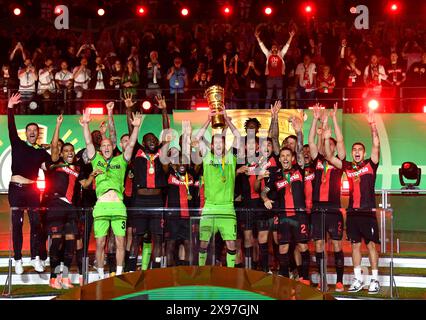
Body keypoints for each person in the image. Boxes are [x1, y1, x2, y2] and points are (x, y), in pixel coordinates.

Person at [79, 104, 141, 280]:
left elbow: (131, 145)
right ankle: (100, 276)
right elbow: (89, 142)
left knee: (120, 242)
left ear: (113, 147)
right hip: (101, 207)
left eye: (109, 145)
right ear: (101, 148)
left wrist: (136, 127)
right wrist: (85, 125)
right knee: (100, 243)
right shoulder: (95, 158)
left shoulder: (121, 160)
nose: (106, 147)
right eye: (103, 145)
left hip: (118, 207)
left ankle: (120, 274)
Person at [324, 108, 381, 294]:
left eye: (359, 150)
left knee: (371, 245)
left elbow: (376, 145)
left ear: (364, 154)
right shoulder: (347, 166)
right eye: (354, 150)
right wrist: (327, 135)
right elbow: (329, 157)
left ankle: (374, 279)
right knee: (355, 245)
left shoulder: (371, 164)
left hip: (368, 212)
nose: (356, 152)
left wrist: (373, 125)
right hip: (353, 213)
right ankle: (358, 279)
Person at [260, 116, 311, 284]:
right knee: (283, 247)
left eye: (288, 155)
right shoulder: (275, 175)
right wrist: (265, 197)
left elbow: (300, 151)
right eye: (282, 156)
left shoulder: (299, 169)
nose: (285, 158)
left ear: (292, 157)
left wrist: (298, 131)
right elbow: (264, 191)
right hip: (283, 217)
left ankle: (304, 278)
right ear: (280, 158)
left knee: (303, 247)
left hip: (299, 215)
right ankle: (284, 276)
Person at [125, 94, 170, 270]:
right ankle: (130, 268)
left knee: (157, 237)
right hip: (140, 201)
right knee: (137, 236)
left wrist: (164, 109)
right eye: (148, 140)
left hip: (157, 201)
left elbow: (167, 131)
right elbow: (131, 130)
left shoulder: (161, 152)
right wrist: (128, 108)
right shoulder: (137, 152)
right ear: (143, 142)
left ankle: (156, 269)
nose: (151, 141)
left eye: (154, 140)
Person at [7, 93, 50, 274]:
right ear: (26, 133)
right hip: (16, 189)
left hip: (32, 190)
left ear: (38, 134)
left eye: (35, 130)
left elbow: (50, 165)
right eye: (30, 130)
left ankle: (35, 258)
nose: (33, 132)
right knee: (17, 224)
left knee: (36, 224)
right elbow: (10, 127)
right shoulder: (17, 143)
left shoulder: (40, 152)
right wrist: (10, 107)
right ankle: (17, 259)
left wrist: (51, 148)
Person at [195, 110, 242, 268]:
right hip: (210, 207)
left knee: (231, 243)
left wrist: (228, 121)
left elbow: (239, 137)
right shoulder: (207, 157)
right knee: (203, 242)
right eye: (216, 143)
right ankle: (201, 270)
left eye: (222, 142)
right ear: (213, 145)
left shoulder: (231, 158)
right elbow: (198, 138)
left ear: (224, 144)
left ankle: (230, 273)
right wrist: (208, 121)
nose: (219, 145)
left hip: (227, 207)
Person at [308, 103, 346, 292]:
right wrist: (315, 120)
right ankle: (322, 278)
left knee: (338, 244)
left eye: (330, 143)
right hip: (317, 209)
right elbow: (311, 141)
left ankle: (339, 280)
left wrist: (333, 121)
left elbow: (339, 142)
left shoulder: (339, 163)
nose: (327, 144)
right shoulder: (317, 160)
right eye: (325, 143)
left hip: (333, 208)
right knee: (319, 244)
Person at [46, 115, 79, 289]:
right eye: (65, 150)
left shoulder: (78, 168)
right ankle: (53, 277)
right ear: (61, 153)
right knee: (57, 242)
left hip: (71, 208)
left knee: (71, 241)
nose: (69, 152)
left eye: (71, 150)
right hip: (56, 205)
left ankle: (65, 277)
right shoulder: (56, 162)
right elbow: (53, 147)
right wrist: (58, 125)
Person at [255, 29, 295, 108]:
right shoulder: (268, 54)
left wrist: (291, 37)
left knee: (279, 97)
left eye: (275, 48)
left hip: (279, 78)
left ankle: (279, 110)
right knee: (268, 96)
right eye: (273, 48)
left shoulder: (281, 54)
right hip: (270, 78)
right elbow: (262, 46)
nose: (274, 49)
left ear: (277, 49)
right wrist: (257, 38)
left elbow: (287, 46)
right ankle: (266, 110)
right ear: (271, 49)